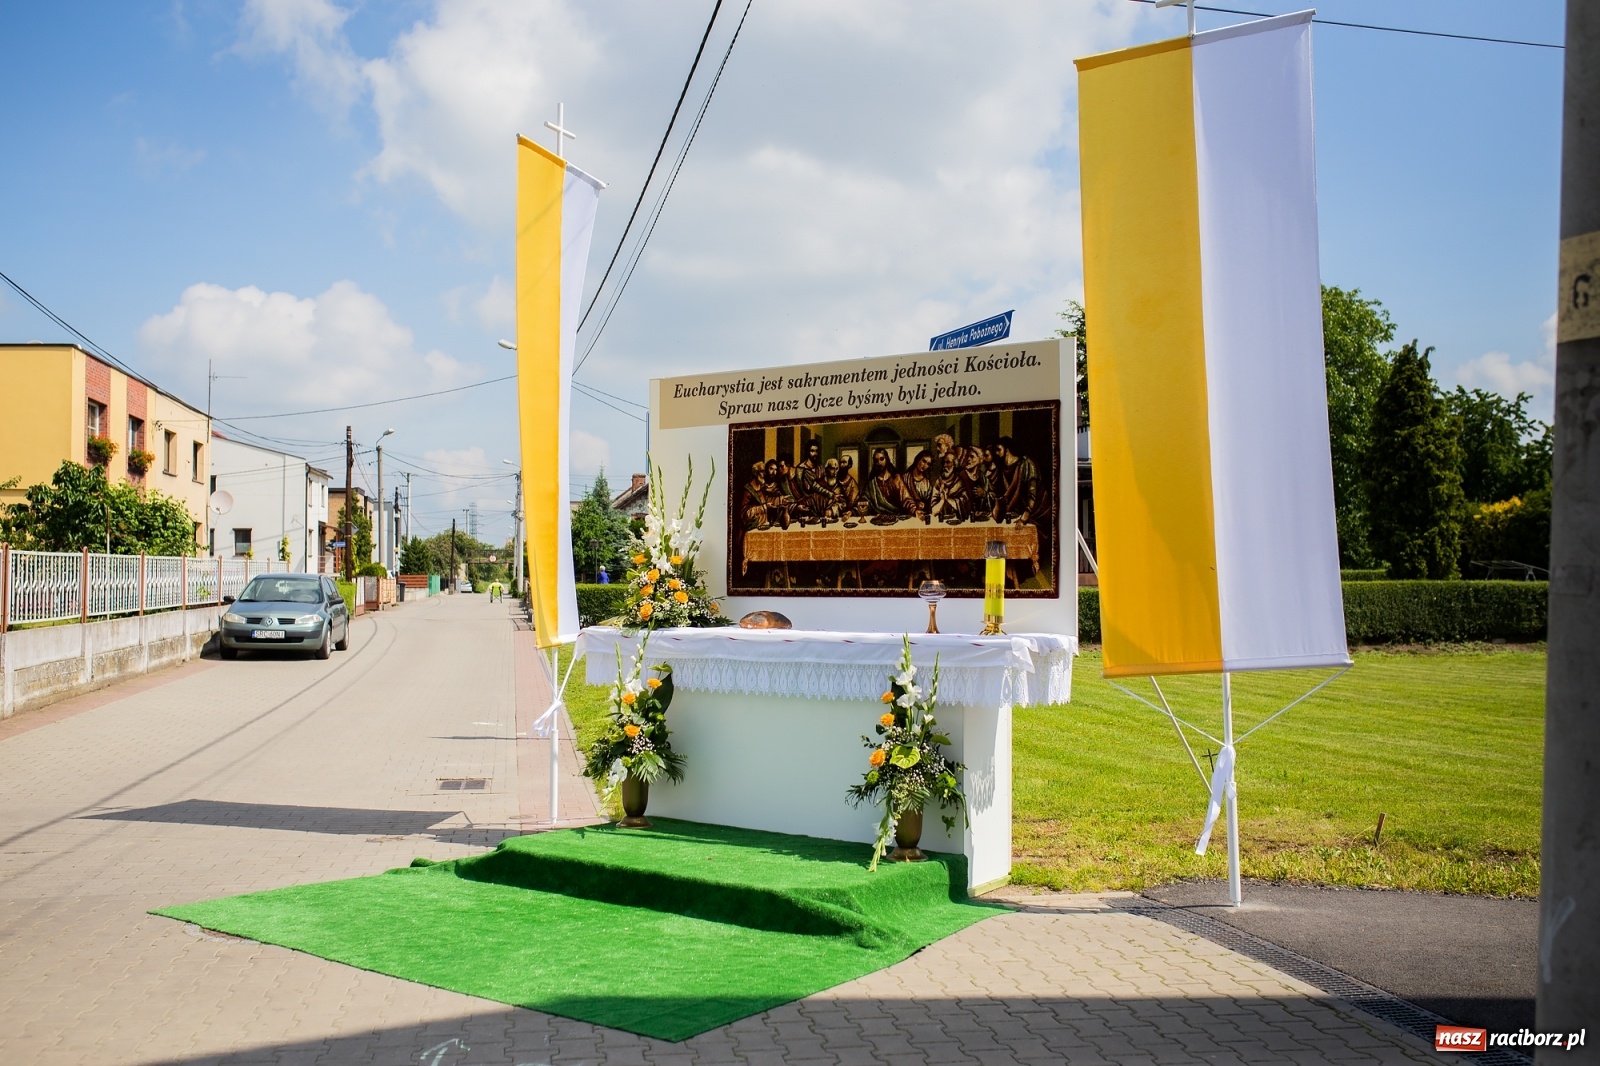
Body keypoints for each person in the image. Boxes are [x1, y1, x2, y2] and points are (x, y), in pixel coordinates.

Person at [992, 436, 1041, 524]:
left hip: (1033, 514)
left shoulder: (1026, 464)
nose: (996, 453)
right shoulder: (1002, 469)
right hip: (1013, 514)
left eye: (998, 449)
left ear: (1007, 450)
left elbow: (1032, 494)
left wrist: (1024, 518)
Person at [863, 448, 909, 517]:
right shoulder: (871, 482)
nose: (879, 463)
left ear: (887, 459)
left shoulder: (896, 478)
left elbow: (906, 499)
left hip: (895, 518)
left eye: (882, 459)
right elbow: (864, 501)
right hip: (877, 519)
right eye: (876, 460)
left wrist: (914, 510)